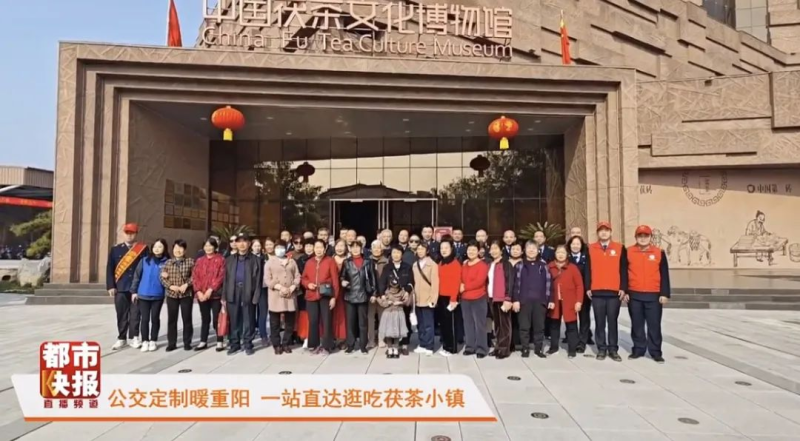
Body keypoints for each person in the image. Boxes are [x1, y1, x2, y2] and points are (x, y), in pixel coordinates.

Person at [625, 225, 670, 364]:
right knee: (637, 324)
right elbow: (623, 273)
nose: (643, 238)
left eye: (646, 236)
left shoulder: (659, 252)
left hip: (653, 295)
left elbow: (664, 274)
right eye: (640, 236)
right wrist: (625, 291)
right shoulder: (628, 252)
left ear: (650, 237)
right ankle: (638, 349)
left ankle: (655, 352)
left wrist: (664, 293)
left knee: (654, 325)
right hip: (634, 294)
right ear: (636, 237)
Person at [586, 221, 628, 362]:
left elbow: (623, 269)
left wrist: (623, 287)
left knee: (612, 321)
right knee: (599, 322)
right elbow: (587, 269)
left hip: (614, 292)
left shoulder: (620, 248)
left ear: (611, 232)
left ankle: (613, 349)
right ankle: (601, 349)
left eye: (606, 230)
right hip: (597, 291)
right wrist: (588, 287)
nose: (604, 233)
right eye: (601, 230)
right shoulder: (590, 248)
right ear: (597, 233)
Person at [107, 223, 148, 350]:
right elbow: (110, 268)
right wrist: (111, 286)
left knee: (136, 313)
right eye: (127, 233)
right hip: (120, 287)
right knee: (121, 314)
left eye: (132, 233)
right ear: (123, 234)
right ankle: (121, 338)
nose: (129, 235)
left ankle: (134, 337)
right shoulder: (116, 249)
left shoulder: (143, 249)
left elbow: (146, 268)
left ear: (136, 234)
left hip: (137, 288)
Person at [222, 233, 262, 355]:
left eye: (245, 241)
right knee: (234, 319)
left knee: (248, 319)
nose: (242, 244)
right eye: (239, 241)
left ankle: (248, 344)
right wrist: (224, 296)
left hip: (248, 291)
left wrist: (256, 296)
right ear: (236, 244)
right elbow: (226, 279)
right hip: (233, 291)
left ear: (249, 244)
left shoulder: (256, 260)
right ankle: (234, 344)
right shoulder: (229, 260)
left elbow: (259, 280)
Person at [301, 240, 341, 354]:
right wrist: (308, 284)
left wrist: (334, 297)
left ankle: (327, 346)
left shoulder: (330, 261)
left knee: (327, 321)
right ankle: (313, 345)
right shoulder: (309, 262)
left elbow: (335, 280)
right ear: (314, 249)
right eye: (316, 247)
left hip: (326, 295)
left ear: (325, 248)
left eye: (321, 247)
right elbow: (303, 278)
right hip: (311, 295)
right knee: (313, 321)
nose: (318, 250)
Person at [131, 238, 169, 352]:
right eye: (155, 247)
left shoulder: (167, 262)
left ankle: (153, 340)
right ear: (152, 248)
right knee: (145, 319)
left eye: (160, 247)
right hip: (143, 294)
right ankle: (145, 341)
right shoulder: (144, 260)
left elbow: (171, 279)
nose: (157, 249)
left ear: (164, 248)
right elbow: (137, 276)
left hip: (158, 295)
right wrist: (134, 291)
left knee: (155, 318)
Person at [513, 242, 550, 358]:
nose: (531, 250)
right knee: (524, 327)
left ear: (538, 251)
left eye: (534, 248)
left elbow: (549, 284)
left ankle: (538, 349)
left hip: (540, 301)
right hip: (524, 301)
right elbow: (515, 284)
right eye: (529, 248)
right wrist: (515, 300)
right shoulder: (519, 265)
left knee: (539, 327)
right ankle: (525, 348)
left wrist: (549, 300)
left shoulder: (543, 266)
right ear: (524, 250)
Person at [547, 245, 585, 358]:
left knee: (571, 325)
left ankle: (572, 349)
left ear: (567, 254)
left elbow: (579, 286)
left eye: (563, 252)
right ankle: (554, 347)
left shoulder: (572, 268)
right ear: (555, 254)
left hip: (570, 301)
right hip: (554, 301)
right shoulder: (549, 267)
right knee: (554, 325)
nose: (560, 255)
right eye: (558, 252)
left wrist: (579, 301)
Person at [264, 240, 301, 355]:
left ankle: (286, 343)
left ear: (286, 249)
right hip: (275, 295)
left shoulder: (292, 261)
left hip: (290, 294)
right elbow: (267, 279)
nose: (280, 250)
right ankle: (276, 345)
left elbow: (297, 276)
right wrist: (279, 287)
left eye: (282, 247)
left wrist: (293, 287)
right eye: (277, 247)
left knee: (290, 322)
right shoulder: (270, 262)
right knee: (275, 323)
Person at [340, 240, 375, 354]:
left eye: (357, 247)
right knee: (350, 322)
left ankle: (363, 346)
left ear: (361, 249)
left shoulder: (368, 262)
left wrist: (374, 294)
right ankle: (350, 345)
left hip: (363, 294)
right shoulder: (346, 262)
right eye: (353, 247)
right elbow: (342, 276)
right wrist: (342, 281)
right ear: (350, 249)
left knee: (363, 322)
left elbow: (373, 278)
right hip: (350, 294)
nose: (355, 249)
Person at [191, 237, 226, 352]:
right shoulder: (199, 260)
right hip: (202, 295)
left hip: (215, 295)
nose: (208, 248)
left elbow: (221, 276)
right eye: (206, 246)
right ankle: (203, 341)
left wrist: (210, 289)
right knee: (205, 318)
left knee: (217, 318)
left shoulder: (221, 259)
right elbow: (195, 277)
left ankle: (220, 341)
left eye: (210, 245)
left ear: (215, 247)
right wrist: (198, 291)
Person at [160, 239, 195, 352]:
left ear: (185, 250)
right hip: (172, 295)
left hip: (186, 294)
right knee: (172, 320)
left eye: (180, 248)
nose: (178, 250)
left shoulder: (190, 261)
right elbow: (162, 277)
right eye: (176, 248)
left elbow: (195, 275)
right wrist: (170, 286)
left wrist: (187, 284)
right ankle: (172, 343)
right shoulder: (168, 263)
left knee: (187, 319)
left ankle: (187, 342)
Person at [379, 245, 415, 356]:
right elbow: (382, 282)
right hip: (391, 298)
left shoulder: (407, 267)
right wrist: (382, 295)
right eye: (394, 252)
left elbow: (411, 281)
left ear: (402, 254)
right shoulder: (387, 267)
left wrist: (407, 291)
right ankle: (391, 345)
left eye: (398, 253)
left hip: (403, 297)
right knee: (391, 322)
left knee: (405, 321)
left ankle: (404, 345)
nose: (396, 255)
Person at [460, 242, 490, 358]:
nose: (471, 252)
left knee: (480, 324)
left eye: (473, 250)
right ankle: (470, 347)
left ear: (478, 251)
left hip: (478, 298)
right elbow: (461, 279)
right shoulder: (464, 264)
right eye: (469, 250)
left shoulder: (482, 265)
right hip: (465, 299)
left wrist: (465, 287)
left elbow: (479, 281)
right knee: (468, 324)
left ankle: (481, 348)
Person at [487, 241, 514, 359]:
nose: (493, 251)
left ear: (501, 250)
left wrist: (508, 298)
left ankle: (504, 349)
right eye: (491, 249)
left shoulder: (506, 264)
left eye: (496, 248)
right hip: (492, 298)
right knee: (497, 325)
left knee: (504, 325)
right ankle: (498, 347)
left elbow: (510, 282)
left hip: (502, 298)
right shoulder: (490, 264)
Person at [567, 235, 593, 352]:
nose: (575, 246)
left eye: (578, 244)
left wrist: (588, 289)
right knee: (571, 317)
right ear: (569, 245)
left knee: (584, 318)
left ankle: (582, 342)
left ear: (581, 245)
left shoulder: (586, 257)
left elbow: (589, 274)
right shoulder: (566, 258)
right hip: (570, 293)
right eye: (573, 244)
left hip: (583, 292)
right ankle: (573, 339)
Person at [412, 241, 439, 355]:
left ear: (427, 251)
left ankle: (429, 346)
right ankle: (422, 343)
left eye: (422, 249)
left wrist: (433, 299)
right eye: (418, 249)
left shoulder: (432, 265)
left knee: (428, 324)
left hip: (428, 298)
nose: (420, 251)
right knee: (421, 324)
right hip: (417, 299)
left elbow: (435, 283)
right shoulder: (415, 265)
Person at [437, 239, 462, 356]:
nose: (444, 250)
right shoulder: (441, 262)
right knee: (444, 323)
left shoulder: (455, 263)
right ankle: (446, 345)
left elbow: (456, 282)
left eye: (446, 248)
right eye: (442, 248)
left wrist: (453, 299)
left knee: (451, 323)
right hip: (441, 296)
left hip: (450, 298)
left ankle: (452, 348)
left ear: (451, 249)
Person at [377, 275, 413, 359]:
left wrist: (400, 303)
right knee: (388, 333)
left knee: (397, 333)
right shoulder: (386, 292)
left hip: (398, 314)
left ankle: (396, 349)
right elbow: (381, 302)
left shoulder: (402, 292)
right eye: (392, 287)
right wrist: (387, 302)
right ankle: (390, 349)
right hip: (388, 314)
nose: (394, 290)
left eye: (395, 288)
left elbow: (408, 302)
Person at [368, 240, 389, 348]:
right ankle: (371, 340)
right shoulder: (367, 261)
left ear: (382, 249)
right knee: (370, 319)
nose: (376, 250)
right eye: (374, 247)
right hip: (370, 295)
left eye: (379, 247)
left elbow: (389, 279)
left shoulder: (387, 262)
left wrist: (385, 293)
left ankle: (381, 339)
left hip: (383, 295)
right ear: (371, 249)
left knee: (383, 318)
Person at [294, 239, 316, 348]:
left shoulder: (317, 259)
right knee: (303, 314)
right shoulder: (300, 260)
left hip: (315, 290)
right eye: (306, 246)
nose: (309, 248)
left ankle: (313, 336)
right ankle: (304, 336)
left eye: (311, 246)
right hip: (303, 291)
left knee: (314, 315)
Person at [251, 239, 269, 347]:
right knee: (251, 313)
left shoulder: (265, 258)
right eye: (255, 246)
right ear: (251, 247)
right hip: (251, 289)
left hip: (263, 288)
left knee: (263, 312)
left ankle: (263, 335)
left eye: (259, 246)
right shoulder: (248, 258)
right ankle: (251, 332)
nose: (257, 248)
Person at [331, 240, 349, 348]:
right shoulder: (330, 259)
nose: (339, 248)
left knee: (344, 315)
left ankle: (343, 338)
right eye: (337, 246)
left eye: (342, 246)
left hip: (346, 291)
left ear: (346, 247)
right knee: (333, 315)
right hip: (332, 291)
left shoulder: (349, 260)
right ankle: (333, 338)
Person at [507, 242, 524, 352]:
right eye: (513, 249)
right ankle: (510, 343)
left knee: (520, 320)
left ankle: (520, 342)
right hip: (507, 295)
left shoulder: (524, 263)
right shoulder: (505, 262)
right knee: (509, 320)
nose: (515, 251)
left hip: (520, 295)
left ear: (522, 251)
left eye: (518, 249)